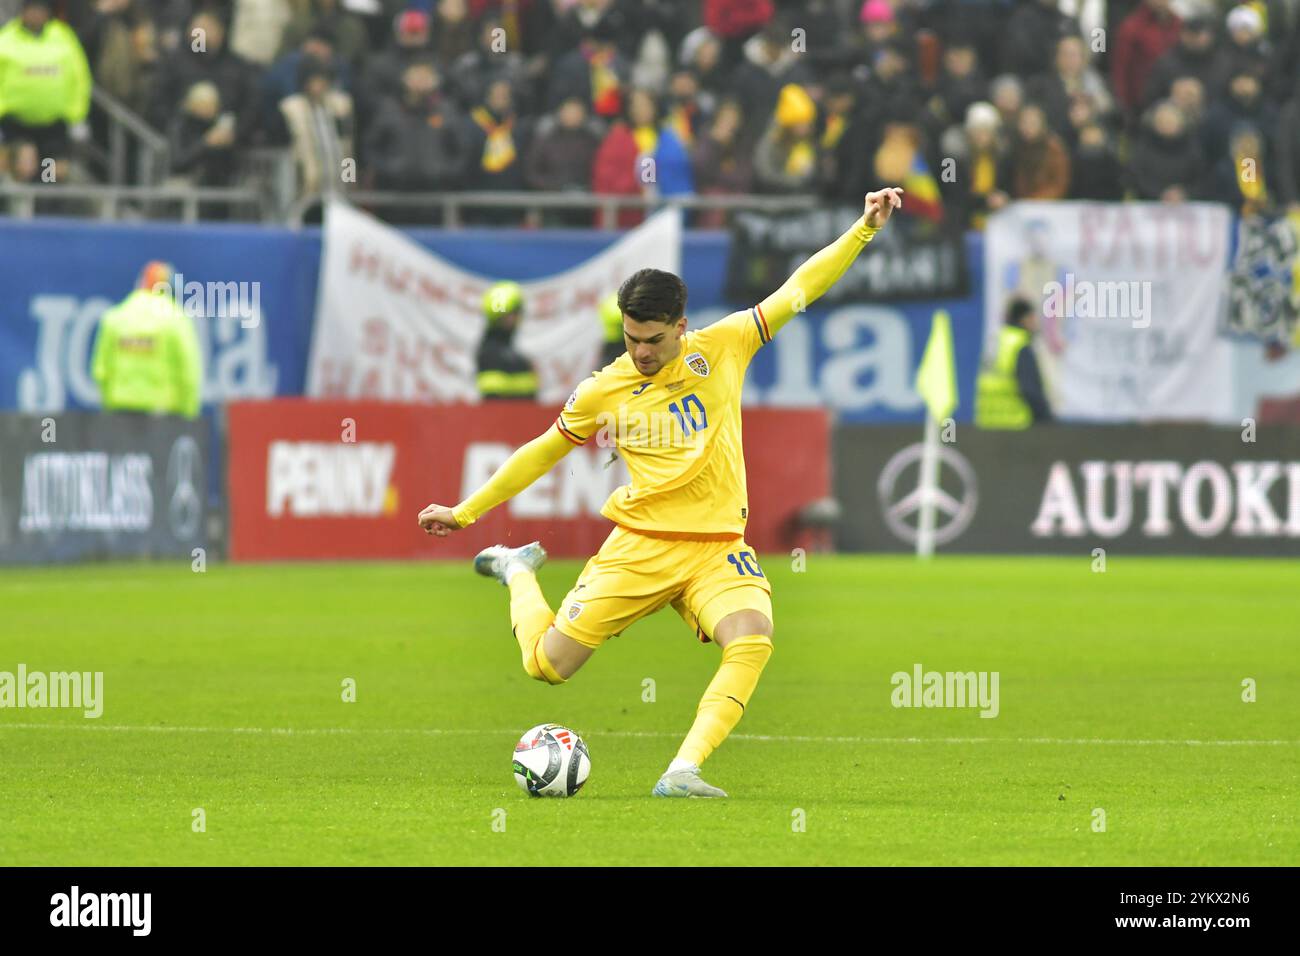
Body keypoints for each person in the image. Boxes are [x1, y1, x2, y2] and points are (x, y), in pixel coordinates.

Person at [418, 187, 904, 799]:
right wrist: (465, 513)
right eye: (631, 340)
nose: (641, 353)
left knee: (752, 636)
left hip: (717, 546)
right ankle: (517, 570)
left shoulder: (725, 346)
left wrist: (863, 229)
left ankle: (682, 770)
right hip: (641, 546)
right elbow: (542, 450)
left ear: (681, 325)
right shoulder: (603, 389)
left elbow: (798, 289)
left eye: (653, 340)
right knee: (546, 666)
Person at [91, 261, 203, 419]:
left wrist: (109, 404)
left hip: (119, 409)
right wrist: (189, 415)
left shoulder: (115, 317)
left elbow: (100, 370)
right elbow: (189, 373)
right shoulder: (177, 320)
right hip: (163, 413)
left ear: (140, 284)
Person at [974, 297, 1052, 429]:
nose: (1036, 324)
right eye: (1033, 318)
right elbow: (1030, 390)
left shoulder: (994, 341)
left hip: (986, 423)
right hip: (1016, 424)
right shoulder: (1019, 345)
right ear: (1025, 319)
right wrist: (1047, 421)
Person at [475, 281, 537, 400]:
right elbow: (495, 399)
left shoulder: (506, 352)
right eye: (514, 313)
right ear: (502, 317)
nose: (518, 318)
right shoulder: (490, 354)